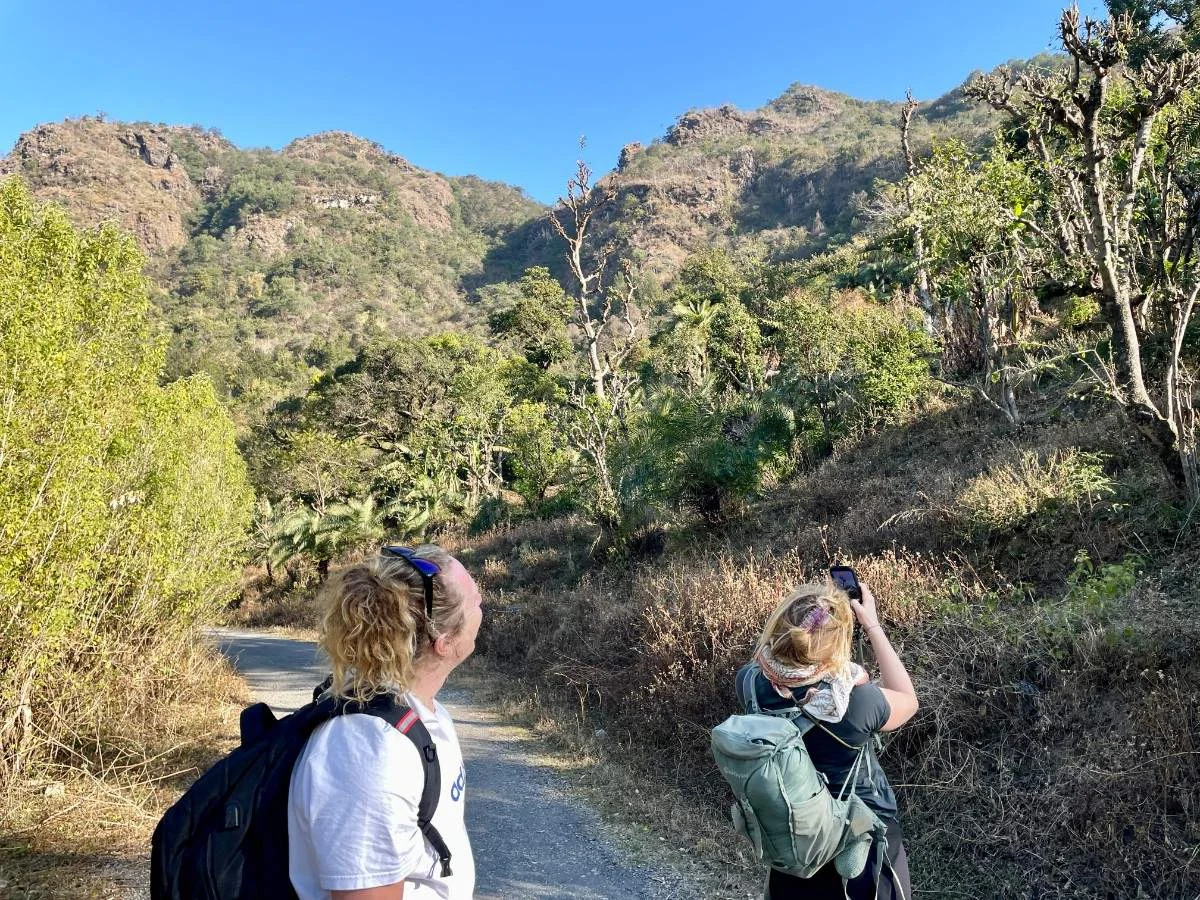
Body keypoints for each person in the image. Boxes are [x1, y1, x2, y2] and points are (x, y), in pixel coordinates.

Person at [288, 544, 483, 900]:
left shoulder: (418, 715)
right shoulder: (369, 752)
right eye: (475, 603)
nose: (482, 604)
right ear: (444, 641)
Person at [740, 580, 919, 900]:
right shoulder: (856, 702)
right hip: (864, 853)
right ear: (837, 647)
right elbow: (908, 699)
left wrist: (811, 615)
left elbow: (775, 663)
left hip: (795, 846)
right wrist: (873, 625)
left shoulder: (751, 682)